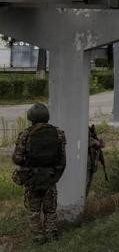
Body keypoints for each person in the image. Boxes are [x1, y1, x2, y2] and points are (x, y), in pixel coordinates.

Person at [12, 103, 66, 245]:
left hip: (32, 180)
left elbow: (16, 158)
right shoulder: (59, 133)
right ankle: (52, 235)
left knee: (34, 210)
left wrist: (28, 165)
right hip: (50, 178)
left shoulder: (25, 134)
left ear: (31, 118)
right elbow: (62, 160)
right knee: (50, 210)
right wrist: (55, 176)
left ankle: (38, 238)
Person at [86, 124, 106, 195]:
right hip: (86, 163)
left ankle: (83, 200)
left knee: (88, 184)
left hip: (91, 163)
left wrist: (99, 143)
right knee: (85, 183)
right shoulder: (83, 130)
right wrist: (96, 143)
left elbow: (100, 144)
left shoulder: (90, 131)